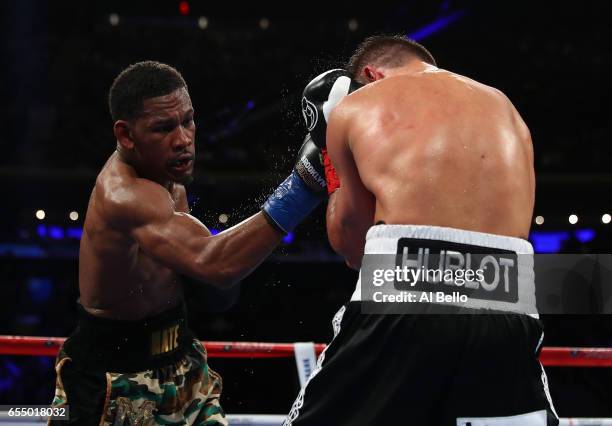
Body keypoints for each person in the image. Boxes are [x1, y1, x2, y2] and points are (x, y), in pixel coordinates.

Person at [285, 35, 559, 425]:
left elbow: (351, 246)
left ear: (369, 74)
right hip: (508, 305)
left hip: (403, 294)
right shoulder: (506, 108)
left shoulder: (359, 103)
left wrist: (329, 161)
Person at [49, 61, 329, 425]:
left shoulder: (167, 173)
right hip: (112, 380)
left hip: (182, 362)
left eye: (188, 120)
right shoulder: (123, 196)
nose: (182, 138)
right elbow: (214, 264)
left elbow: (204, 271)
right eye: (163, 128)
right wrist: (302, 188)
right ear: (125, 135)